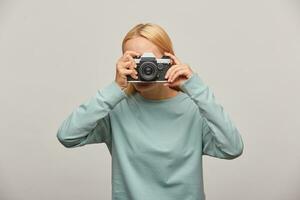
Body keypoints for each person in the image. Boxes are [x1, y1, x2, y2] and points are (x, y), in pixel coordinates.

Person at [56, 22, 244, 200]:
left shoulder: (194, 108)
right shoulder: (116, 108)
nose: (145, 68)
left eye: (151, 61)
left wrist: (196, 87)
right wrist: (115, 88)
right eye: (135, 60)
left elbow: (232, 148)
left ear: (168, 60)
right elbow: (68, 136)